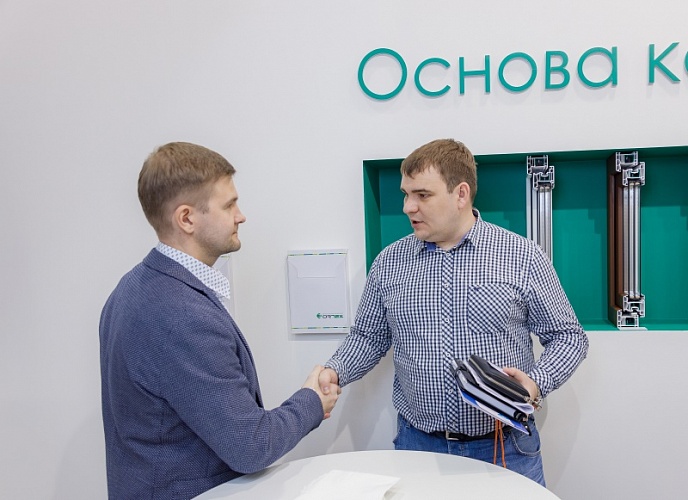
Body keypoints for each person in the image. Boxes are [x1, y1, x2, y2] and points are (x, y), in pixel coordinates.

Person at [319, 138, 588, 486]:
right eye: (406, 194)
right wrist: (334, 372)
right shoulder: (389, 263)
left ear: (461, 194)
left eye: (422, 195)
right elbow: (368, 338)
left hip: (505, 448)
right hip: (418, 447)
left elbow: (568, 337)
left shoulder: (521, 256)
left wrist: (537, 382)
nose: (408, 207)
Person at [100, 142, 339, 499]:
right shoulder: (182, 315)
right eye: (229, 205)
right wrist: (312, 402)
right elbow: (251, 446)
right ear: (186, 218)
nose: (241, 216)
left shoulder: (132, 287)